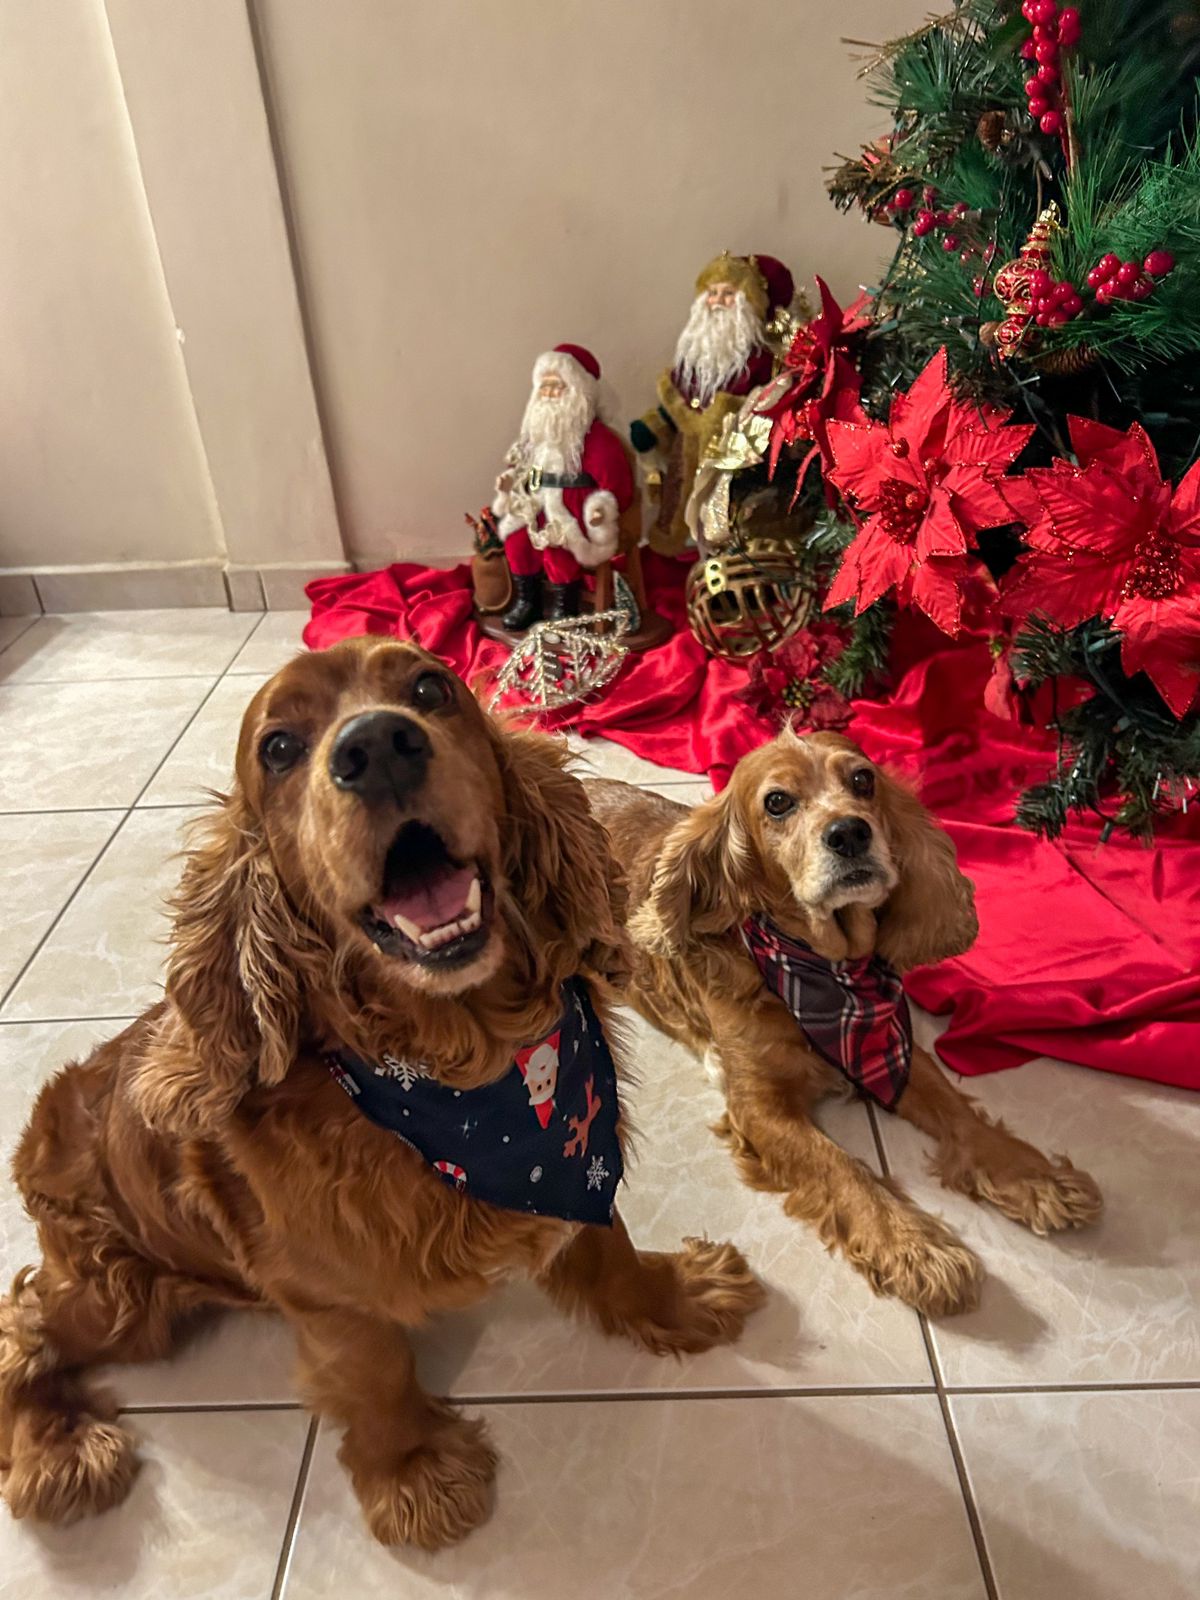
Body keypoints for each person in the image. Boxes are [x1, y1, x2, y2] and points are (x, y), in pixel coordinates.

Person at [631, 252, 793, 554]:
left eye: (728, 293)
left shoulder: (762, 364)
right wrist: (652, 426)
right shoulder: (693, 363)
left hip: (734, 464)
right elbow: (675, 405)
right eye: (712, 292)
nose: (717, 301)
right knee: (682, 524)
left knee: (731, 531)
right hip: (685, 459)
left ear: (749, 302)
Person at [491, 344, 635, 631]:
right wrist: (510, 485)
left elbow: (617, 484)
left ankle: (565, 607)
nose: (548, 394)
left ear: (578, 391)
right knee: (516, 539)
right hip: (538, 505)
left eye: (557, 386)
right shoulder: (536, 438)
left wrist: (601, 510)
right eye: (544, 386)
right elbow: (522, 468)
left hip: (576, 512)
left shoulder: (596, 439)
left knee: (557, 544)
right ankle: (528, 601)